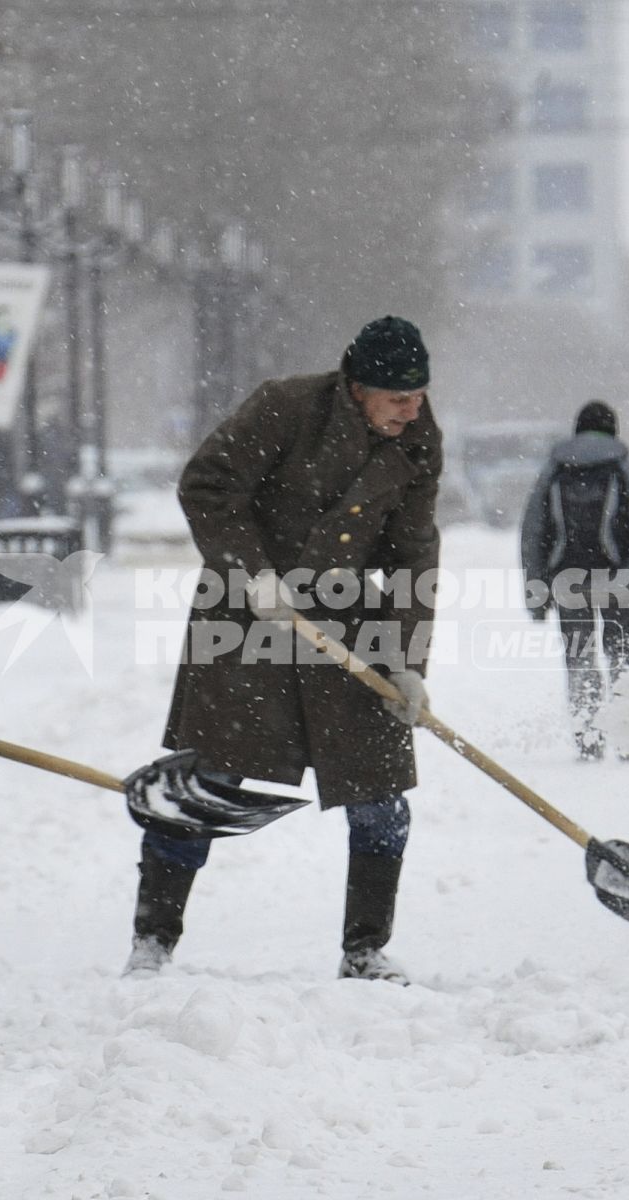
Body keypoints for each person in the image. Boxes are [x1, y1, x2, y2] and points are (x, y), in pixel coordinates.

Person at [133, 316, 443, 984]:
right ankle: (152, 941)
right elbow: (206, 484)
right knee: (206, 781)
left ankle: (365, 950)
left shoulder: (419, 439)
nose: (412, 410)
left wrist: (409, 661)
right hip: (249, 623)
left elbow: (415, 550)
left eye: (419, 395)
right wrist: (252, 573)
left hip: (349, 629)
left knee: (380, 794)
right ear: (357, 388)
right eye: (397, 398)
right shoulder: (286, 407)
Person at [520, 401, 629, 760]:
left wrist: (537, 593)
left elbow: (534, 534)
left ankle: (588, 738)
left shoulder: (554, 472)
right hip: (621, 581)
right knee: (623, 659)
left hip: (568, 581)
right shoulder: (625, 470)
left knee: (580, 659)